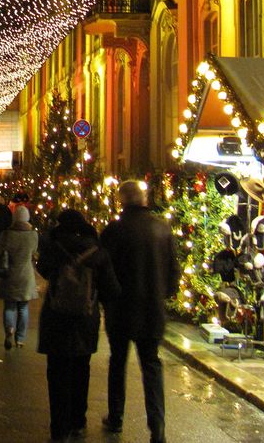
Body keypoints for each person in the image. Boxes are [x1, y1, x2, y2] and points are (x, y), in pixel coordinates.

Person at [99, 181, 180, 442]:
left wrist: (106, 298)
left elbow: (104, 270)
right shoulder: (162, 228)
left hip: (120, 309)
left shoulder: (114, 230)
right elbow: (173, 272)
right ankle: (158, 427)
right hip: (152, 310)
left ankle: (116, 418)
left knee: (118, 362)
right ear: (144, 199)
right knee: (151, 365)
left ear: (122, 200)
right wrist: (162, 294)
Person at [37, 209, 119, 442]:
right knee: (81, 369)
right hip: (86, 318)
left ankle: (59, 428)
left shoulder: (54, 247)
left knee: (57, 373)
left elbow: (42, 269)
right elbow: (111, 288)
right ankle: (77, 420)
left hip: (56, 317)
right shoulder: (97, 251)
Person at [0, 204, 38, 349]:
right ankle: (20, 338)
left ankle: (9, 330)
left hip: (10, 274)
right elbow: (34, 253)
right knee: (23, 307)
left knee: (9, 306)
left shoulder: (6, 234)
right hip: (26, 275)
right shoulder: (33, 235)